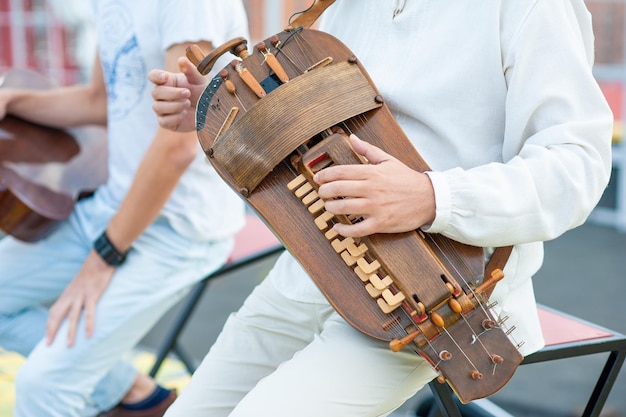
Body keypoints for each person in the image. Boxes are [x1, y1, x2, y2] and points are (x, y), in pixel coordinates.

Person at [149, 1, 613, 416]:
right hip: (311, 271)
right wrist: (223, 115)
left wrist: (430, 197)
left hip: (435, 301)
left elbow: (578, 165)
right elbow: (316, 122)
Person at [0, 1, 248, 416]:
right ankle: (136, 395)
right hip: (113, 207)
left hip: (178, 231)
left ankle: (117, 392)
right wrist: (13, 99)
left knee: (45, 386)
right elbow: (100, 101)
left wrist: (103, 258)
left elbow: (180, 145)